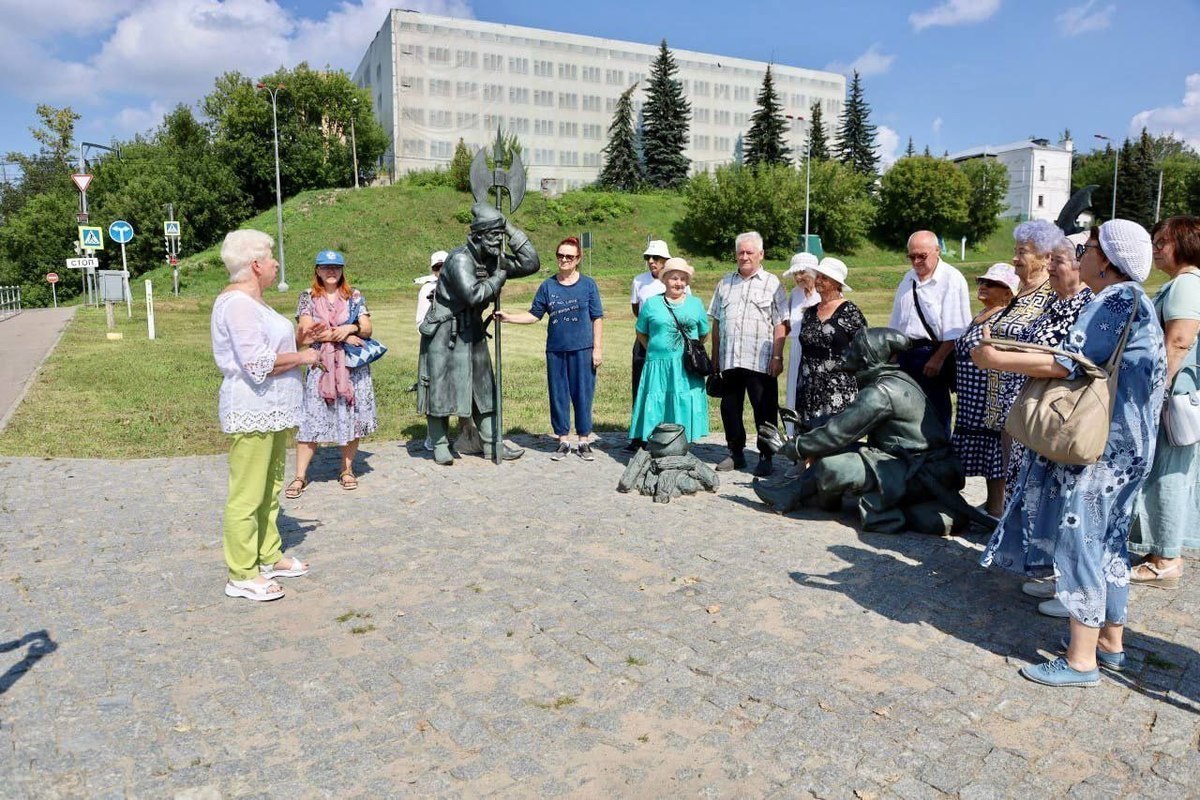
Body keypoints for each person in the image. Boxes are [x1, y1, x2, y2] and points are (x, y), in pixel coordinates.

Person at [972, 220, 1166, 688]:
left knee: (1082, 537)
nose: (1082, 255)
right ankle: (1110, 642)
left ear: (1109, 260)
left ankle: (1081, 660)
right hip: (1127, 444)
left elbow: (1068, 362)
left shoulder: (1116, 298)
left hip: (1102, 448)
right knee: (1110, 540)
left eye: (1091, 247)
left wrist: (996, 358)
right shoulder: (1134, 301)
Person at [753, 328, 969, 535]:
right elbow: (850, 419)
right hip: (907, 461)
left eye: (852, 349)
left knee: (832, 466)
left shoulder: (881, 391)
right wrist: (810, 424)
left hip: (920, 471)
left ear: (866, 358)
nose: (845, 353)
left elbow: (837, 433)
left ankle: (884, 511)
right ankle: (791, 494)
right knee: (835, 451)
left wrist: (790, 447)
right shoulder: (893, 380)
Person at [210, 230, 319, 601]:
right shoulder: (237, 304)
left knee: (270, 487)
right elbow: (256, 363)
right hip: (253, 408)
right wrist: (304, 358)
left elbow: (268, 347)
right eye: (271, 258)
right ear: (255, 265)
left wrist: (301, 341)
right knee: (247, 493)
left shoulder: (256, 303)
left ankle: (267, 555)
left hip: (273, 410)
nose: (275, 264)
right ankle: (241, 572)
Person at [417, 203, 540, 465]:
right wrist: (498, 279)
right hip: (445, 332)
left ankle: (492, 443)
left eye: (500, 235)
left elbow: (531, 262)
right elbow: (472, 295)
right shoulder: (461, 258)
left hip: (472, 330)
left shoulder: (492, 258)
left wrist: (507, 226)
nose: (499, 241)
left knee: (484, 389)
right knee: (442, 388)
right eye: (494, 235)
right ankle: (439, 443)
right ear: (478, 235)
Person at [1129, 215, 1200, 587]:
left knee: (1168, 476)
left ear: (1186, 243)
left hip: (1175, 399)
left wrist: (1155, 391)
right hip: (1176, 396)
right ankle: (1161, 550)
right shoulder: (1182, 283)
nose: (1156, 248)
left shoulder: (1187, 284)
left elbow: (1179, 340)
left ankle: (1167, 559)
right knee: (1165, 474)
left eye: (1163, 242)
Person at [496, 236, 604, 460]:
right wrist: (508, 318)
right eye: (561, 256)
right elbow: (534, 315)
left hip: (583, 349)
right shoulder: (548, 286)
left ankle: (583, 441)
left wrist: (597, 349)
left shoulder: (588, 285)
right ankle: (563, 440)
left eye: (569, 256)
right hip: (556, 350)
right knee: (559, 395)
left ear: (578, 259)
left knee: (583, 395)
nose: (564, 260)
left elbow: (597, 318)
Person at [285, 250, 378, 497]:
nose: (331, 271)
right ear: (317, 270)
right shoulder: (307, 297)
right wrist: (342, 334)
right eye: (325, 267)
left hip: (350, 369)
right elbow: (305, 332)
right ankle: (300, 476)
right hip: (321, 366)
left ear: (342, 270)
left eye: (335, 267)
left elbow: (367, 328)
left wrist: (352, 326)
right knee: (310, 419)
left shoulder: (354, 295)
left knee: (351, 418)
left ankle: (346, 470)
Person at [709, 231, 788, 476]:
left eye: (749, 252)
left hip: (761, 360)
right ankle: (736, 452)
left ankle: (766, 455)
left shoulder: (773, 283)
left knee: (764, 408)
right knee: (730, 408)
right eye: (740, 252)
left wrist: (777, 356)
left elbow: (781, 323)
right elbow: (716, 322)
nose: (744, 256)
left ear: (761, 254)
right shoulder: (724, 283)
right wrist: (715, 357)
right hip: (730, 358)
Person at [950, 263, 1018, 517]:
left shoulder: (1002, 318)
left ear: (1007, 292)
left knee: (993, 451)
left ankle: (996, 506)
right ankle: (988, 505)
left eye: (992, 284)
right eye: (982, 282)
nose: (984, 287)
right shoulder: (981, 314)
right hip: (969, 395)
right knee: (973, 445)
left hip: (988, 394)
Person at [888, 230, 972, 431]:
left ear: (937, 251)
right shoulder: (908, 279)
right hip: (905, 354)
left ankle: (938, 458)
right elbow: (897, 322)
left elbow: (957, 328)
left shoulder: (951, 279)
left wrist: (938, 359)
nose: (916, 261)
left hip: (932, 356)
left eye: (922, 256)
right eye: (912, 256)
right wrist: (892, 356)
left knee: (934, 414)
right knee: (904, 414)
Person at [981, 221, 1058, 431]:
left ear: (1045, 257)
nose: (1014, 258)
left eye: (1022, 252)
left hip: (1025, 405)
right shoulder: (1020, 292)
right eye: (1015, 251)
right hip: (999, 404)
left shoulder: (1051, 293)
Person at [629, 258, 710, 443]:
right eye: (674, 278)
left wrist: (690, 350)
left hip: (686, 366)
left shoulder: (695, 304)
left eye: (683, 279)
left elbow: (704, 334)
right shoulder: (651, 304)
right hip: (658, 364)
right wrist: (652, 349)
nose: (678, 283)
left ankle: (683, 442)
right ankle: (655, 441)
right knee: (658, 403)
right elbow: (641, 331)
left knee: (682, 401)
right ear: (664, 280)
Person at [415, 249, 481, 456]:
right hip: (438, 345)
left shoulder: (462, 285)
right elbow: (421, 323)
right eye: (437, 267)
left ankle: (467, 435)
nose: (441, 271)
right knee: (437, 390)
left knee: (463, 389)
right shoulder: (428, 289)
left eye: (445, 266)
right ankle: (435, 438)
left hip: (462, 343)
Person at [795, 257, 867, 424]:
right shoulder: (810, 312)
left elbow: (863, 349)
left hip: (837, 386)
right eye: (818, 276)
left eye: (824, 278)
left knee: (834, 436)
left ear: (836, 283)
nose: (818, 281)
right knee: (808, 437)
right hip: (809, 385)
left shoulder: (850, 312)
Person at [626, 239, 673, 451]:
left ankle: (662, 432)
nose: (651, 262)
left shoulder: (674, 280)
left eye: (656, 258)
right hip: (645, 339)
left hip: (668, 341)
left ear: (666, 260)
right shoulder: (639, 281)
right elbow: (637, 310)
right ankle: (638, 435)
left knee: (663, 388)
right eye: (648, 258)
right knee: (641, 386)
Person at [783, 252, 820, 435]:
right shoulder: (795, 294)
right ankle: (795, 439)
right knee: (795, 394)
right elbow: (787, 324)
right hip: (797, 349)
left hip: (817, 352)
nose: (798, 278)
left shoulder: (823, 293)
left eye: (802, 273)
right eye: (795, 274)